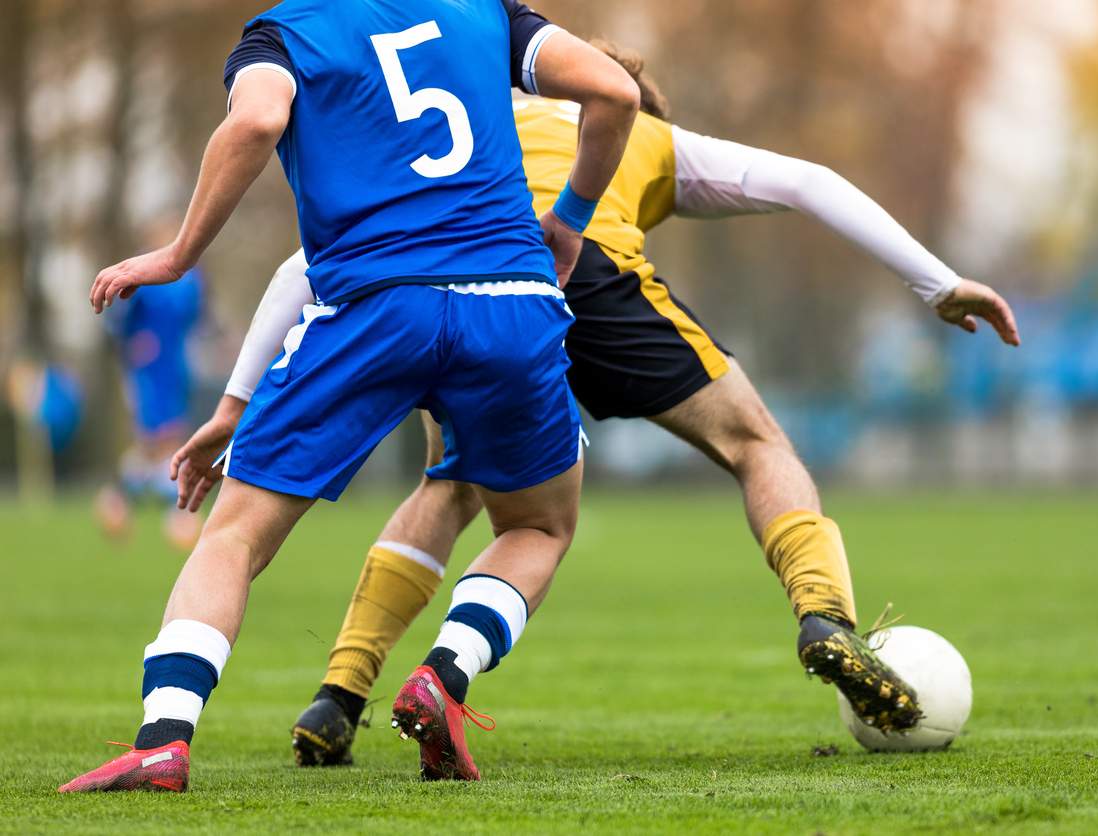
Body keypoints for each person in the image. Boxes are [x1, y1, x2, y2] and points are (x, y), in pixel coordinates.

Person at [171, 43, 1021, 768]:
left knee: (452, 485)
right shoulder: (650, 133)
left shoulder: (479, 129)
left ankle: (339, 694)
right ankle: (823, 615)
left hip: (476, 299)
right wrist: (937, 283)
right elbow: (808, 181)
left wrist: (236, 399)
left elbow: (302, 265)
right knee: (757, 447)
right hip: (592, 280)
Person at [60, 0, 639, 793]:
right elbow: (616, 91)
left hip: (375, 306)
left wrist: (178, 253)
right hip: (510, 298)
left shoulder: (287, 31)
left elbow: (258, 121)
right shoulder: (486, 12)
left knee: (232, 537)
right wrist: (569, 219)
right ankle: (445, 673)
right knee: (539, 524)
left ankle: (164, 737)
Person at [96, 217, 206, 549]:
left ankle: (122, 499)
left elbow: (194, 312)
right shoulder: (141, 275)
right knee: (158, 437)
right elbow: (119, 319)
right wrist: (133, 342)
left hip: (174, 362)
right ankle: (174, 510)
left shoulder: (190, 278)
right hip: (149, 364)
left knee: (165, 438)